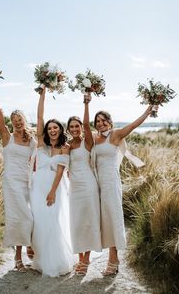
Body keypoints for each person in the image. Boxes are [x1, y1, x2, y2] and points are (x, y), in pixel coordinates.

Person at [92, 104, 154, 276]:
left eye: (104, 121)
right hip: (98, 184)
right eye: (98, 121)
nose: (101, 124)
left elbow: (133, 125)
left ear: (110, 123)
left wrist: (146, 113)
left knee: (113, 218)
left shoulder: (116, 134)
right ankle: (113, 258)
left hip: (111, 182)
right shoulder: (95, 139)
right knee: (105, 220)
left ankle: (113, 259)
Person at [0, 80, 36, 272]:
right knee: (19, 217)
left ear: (24, 120)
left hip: (28, 182)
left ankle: (29, 246)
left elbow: (42, 155)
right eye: (14, 120)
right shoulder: (8, 137)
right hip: (11, 182)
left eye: (20, 119)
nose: (17, 122)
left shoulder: (31, 140)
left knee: (30, 216)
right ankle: (18, 258)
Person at [30, 87, 73, 277]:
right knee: (40, 222)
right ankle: (40, 260)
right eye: (49, 128)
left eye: (55, 128)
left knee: (54, 221)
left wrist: (53, 191)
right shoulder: (41, 144)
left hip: (55, 188)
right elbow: (39, 118)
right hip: (38, 187)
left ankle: (57, 261)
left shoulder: (65, 148)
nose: (52, 130)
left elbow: (61, 172)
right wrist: (42, 95)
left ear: (60, 129)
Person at [67, 92, 101, 275]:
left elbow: (88, 124)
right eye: (71, 126)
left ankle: (86, 260)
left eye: (77, 126)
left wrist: (86, 102)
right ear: (68, 129)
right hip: (74, 188)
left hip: (88, 186)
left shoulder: (87, 142)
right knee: (77, 222)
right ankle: (80, 258)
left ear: (81, 127)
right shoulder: (67, 145)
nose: (74, 129)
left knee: (87, 221)